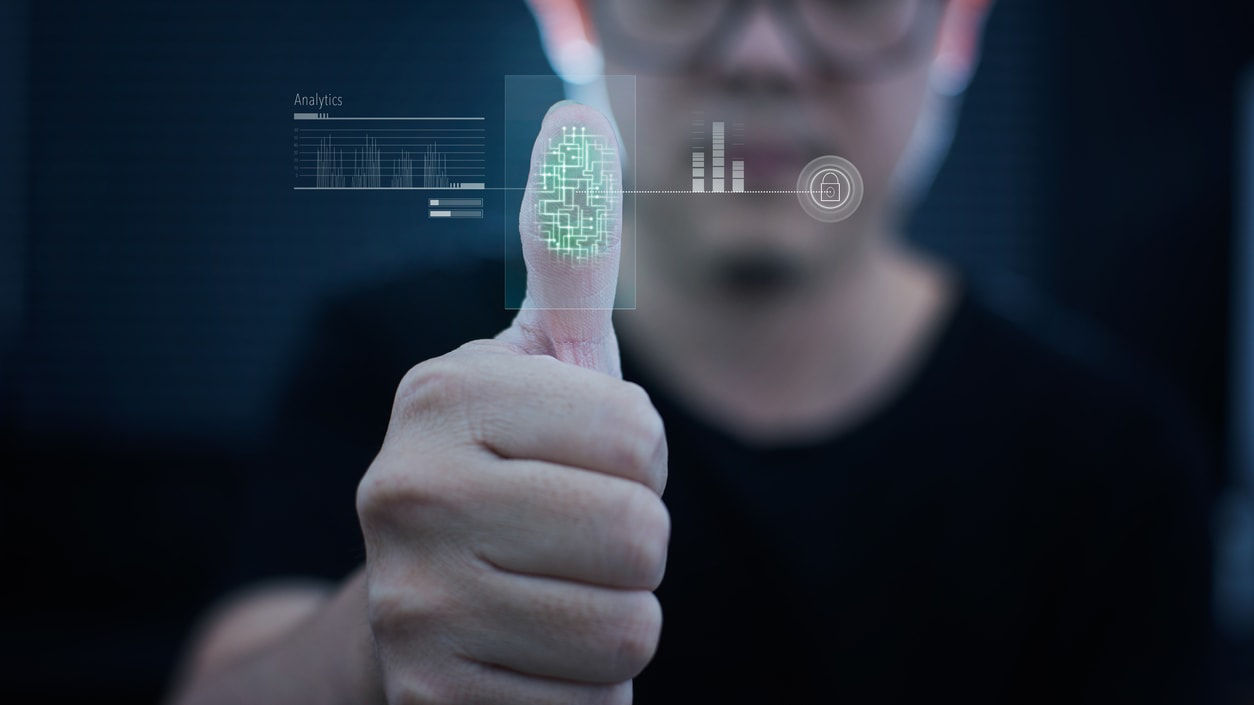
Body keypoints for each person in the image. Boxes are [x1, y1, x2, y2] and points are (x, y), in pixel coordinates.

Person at [169, 0, 1213, 703]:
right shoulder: (399, 361)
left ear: (955, 30)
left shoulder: (1111, 454)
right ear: (572, 17)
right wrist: (377, 643)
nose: (760, 52)